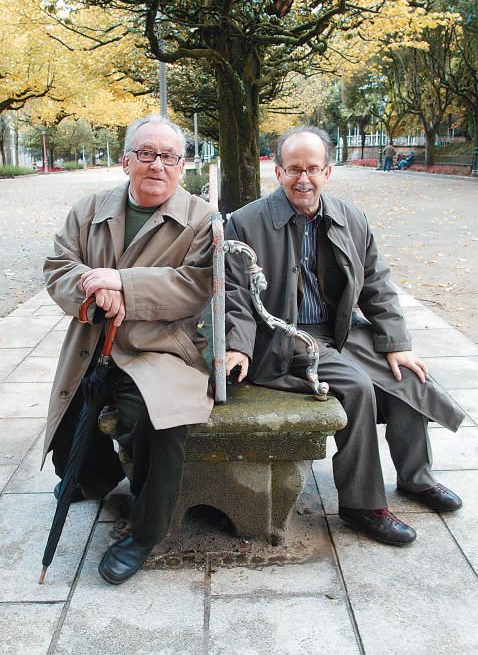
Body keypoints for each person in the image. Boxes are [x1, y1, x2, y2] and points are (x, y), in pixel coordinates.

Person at [225, 126, 463, 547]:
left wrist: (396, 343)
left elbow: (376, 283)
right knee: (356, 387)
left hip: (341, 330)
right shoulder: (245, 223)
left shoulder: (350, 217)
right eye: (294, 169)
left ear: (328, 171)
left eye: (313, 169)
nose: (304, 178)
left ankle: (417, 478)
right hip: (285, 337)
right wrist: (237, 346)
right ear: (277, 171)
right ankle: (361, 504)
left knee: (408, 376)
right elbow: (236, 296)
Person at [43, 115, 214, 584]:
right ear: (125, 161)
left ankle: (144, 532)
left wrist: (124, 282)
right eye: (145, 153)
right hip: (94, 339)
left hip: (160, 348)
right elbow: (58, 264)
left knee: (157, 421)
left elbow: (196, 285)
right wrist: (94, 288)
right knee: (72, 434)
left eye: (168, 156)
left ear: (182, 166)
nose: (156, 165)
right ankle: (94, 478)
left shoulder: (201, 220)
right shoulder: (89, 209)